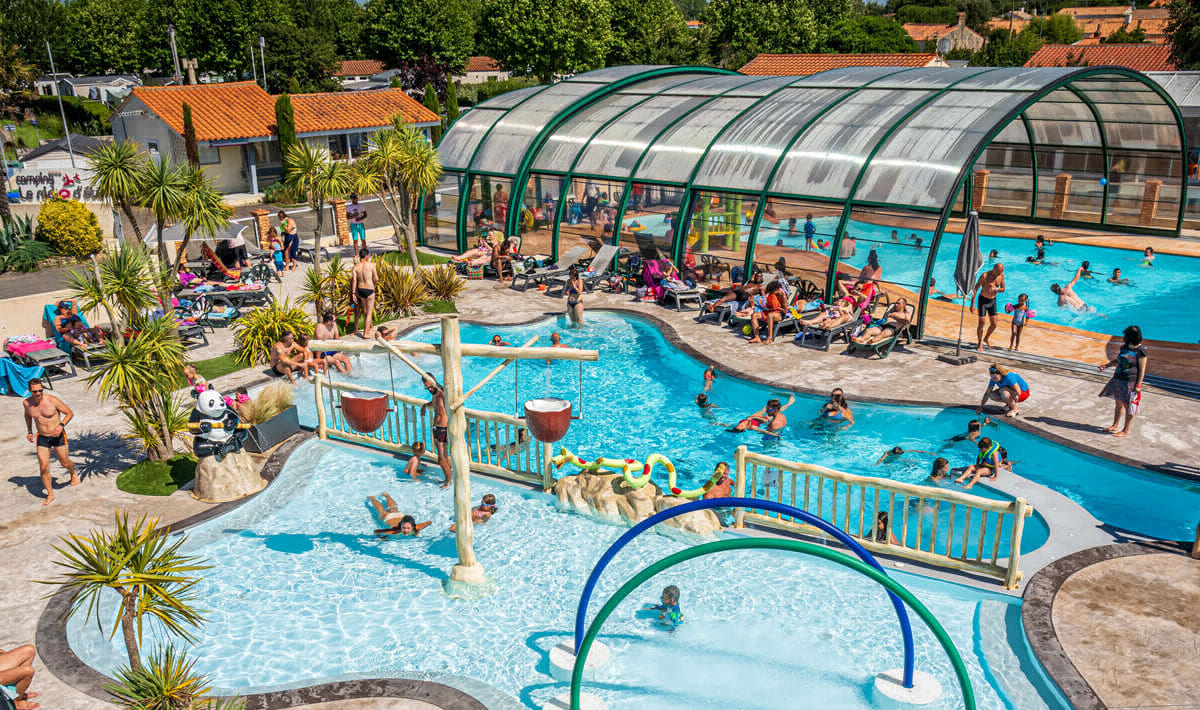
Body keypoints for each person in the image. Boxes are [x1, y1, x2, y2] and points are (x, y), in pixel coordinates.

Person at [23, 380, 77, 505]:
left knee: (64, 462)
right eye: (35, 391)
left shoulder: (52, 400)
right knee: (43, 467)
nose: (38, 393)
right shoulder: (27, 403)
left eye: (40, 390)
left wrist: (61, 425)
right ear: (30, 390)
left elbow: (69, 413)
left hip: (58, 436)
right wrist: (29, 430)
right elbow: (27, 415)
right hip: (42, 437)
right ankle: (50, 494)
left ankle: (73, 472)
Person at [1099, 325, 1147, 438]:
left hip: (1129, 381)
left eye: (1125, 335)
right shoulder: (1124, 347)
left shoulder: (1141, 351)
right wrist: (1107, 365)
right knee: (1118, 402)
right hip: (1118, 378)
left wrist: (1139, 384)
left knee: (1127, 405)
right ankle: (1115, 425)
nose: (1123, 337)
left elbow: (1142, 369)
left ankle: (1125, 430)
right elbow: (1119, 360)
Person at [421, 376, 451, 488]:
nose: (429, 389)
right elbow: (437, 405)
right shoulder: (434, 394)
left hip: (443, 428)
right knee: (444, 456)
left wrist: (437, 384)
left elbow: (449, 398)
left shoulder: (442, 393)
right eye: (426, 387)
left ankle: (448, 481)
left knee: (441, 458)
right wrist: (425, 405)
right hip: (436, 428)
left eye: (430, 386)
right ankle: (449, 478)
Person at [970, 263, 1006, 350]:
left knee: (994, 324)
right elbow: (975, 288)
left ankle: (986, 338)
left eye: (1001, 272)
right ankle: (979, 343)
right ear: (994, 269)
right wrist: (972, 303)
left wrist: (996, 289)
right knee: (981, 323)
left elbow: (1003, 289)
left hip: (992, 301)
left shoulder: (1001, 276)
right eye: (999, 272)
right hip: (983, 300)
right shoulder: (985, 275)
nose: (1000, 273)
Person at [748, 280, 787, 345]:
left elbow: (785, 311)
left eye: (772, 292)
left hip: (780, 314)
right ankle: (757, 337)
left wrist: (777, 307)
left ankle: (769, 338)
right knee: (754, 315)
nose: (772, 293)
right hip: (771, 311)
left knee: (770, 315)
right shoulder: (772, 295)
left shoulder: (783, 296)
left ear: (777, 289)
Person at [350, 249, 378, 338]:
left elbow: (354, 280)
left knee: (365, 311)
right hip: (369, 290)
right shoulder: (371, 265)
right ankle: (366, 333)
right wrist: (373, 282)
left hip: (360, 290)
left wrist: (353, 293)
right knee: (369, 312)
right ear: (366, 256)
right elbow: (376, 278)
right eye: (368, 255)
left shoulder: (355, 267)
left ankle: (369, 328)